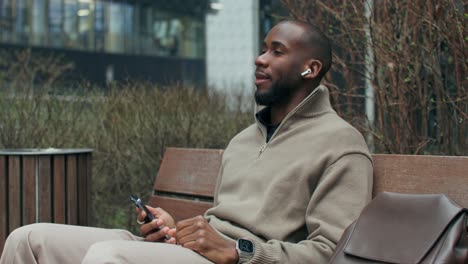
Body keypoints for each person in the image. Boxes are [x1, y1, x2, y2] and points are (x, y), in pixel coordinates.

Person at [0, 20, 373, 264]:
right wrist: (173, 229)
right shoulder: (244, 139)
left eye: (277, 51)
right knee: (28, 239)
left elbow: (332, 253)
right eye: (263, 49)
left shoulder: (341, 145)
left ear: (310, 69)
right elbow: (220, 221)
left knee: (107, 256)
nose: (259, 60)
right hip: (191, 253)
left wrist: (240, 252)